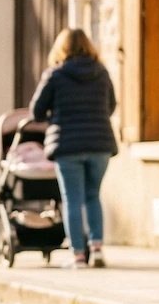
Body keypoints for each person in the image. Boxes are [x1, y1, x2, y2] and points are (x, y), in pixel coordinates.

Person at [30, 28, 118, 269]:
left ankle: (78, 254)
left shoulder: (55, 75)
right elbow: (111, 105)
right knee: (93, 196)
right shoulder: (101, 73)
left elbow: (36, 111)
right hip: (100, 143)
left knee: (72, 199)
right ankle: (97, 248)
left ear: (61, 48)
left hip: (67, 144)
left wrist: (57, 115)